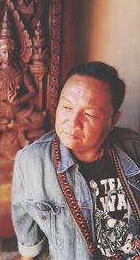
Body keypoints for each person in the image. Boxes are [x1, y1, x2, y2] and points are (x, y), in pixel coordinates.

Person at [12, 61, 140, 260]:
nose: (72, 123)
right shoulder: (31, 162)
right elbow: (24, 222)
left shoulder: (134, 148)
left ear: (113, 119)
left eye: (89, 114)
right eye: (66, 107)